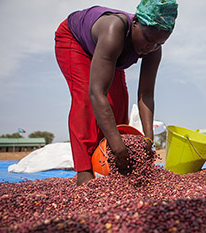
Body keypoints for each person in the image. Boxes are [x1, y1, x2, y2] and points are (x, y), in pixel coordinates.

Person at [55, 0, 178, 186]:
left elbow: (146, 94)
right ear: (136, 22)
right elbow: (97, 92)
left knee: (119, 102)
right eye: (148, 39)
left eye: (159, 43)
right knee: (86, 99)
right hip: (76, 41)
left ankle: (106, 162)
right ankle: (85, 171)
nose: (150, 47)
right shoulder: (114, 30)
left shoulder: (153, 49)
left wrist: (148, 139)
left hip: (111, 53)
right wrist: (117, 144)